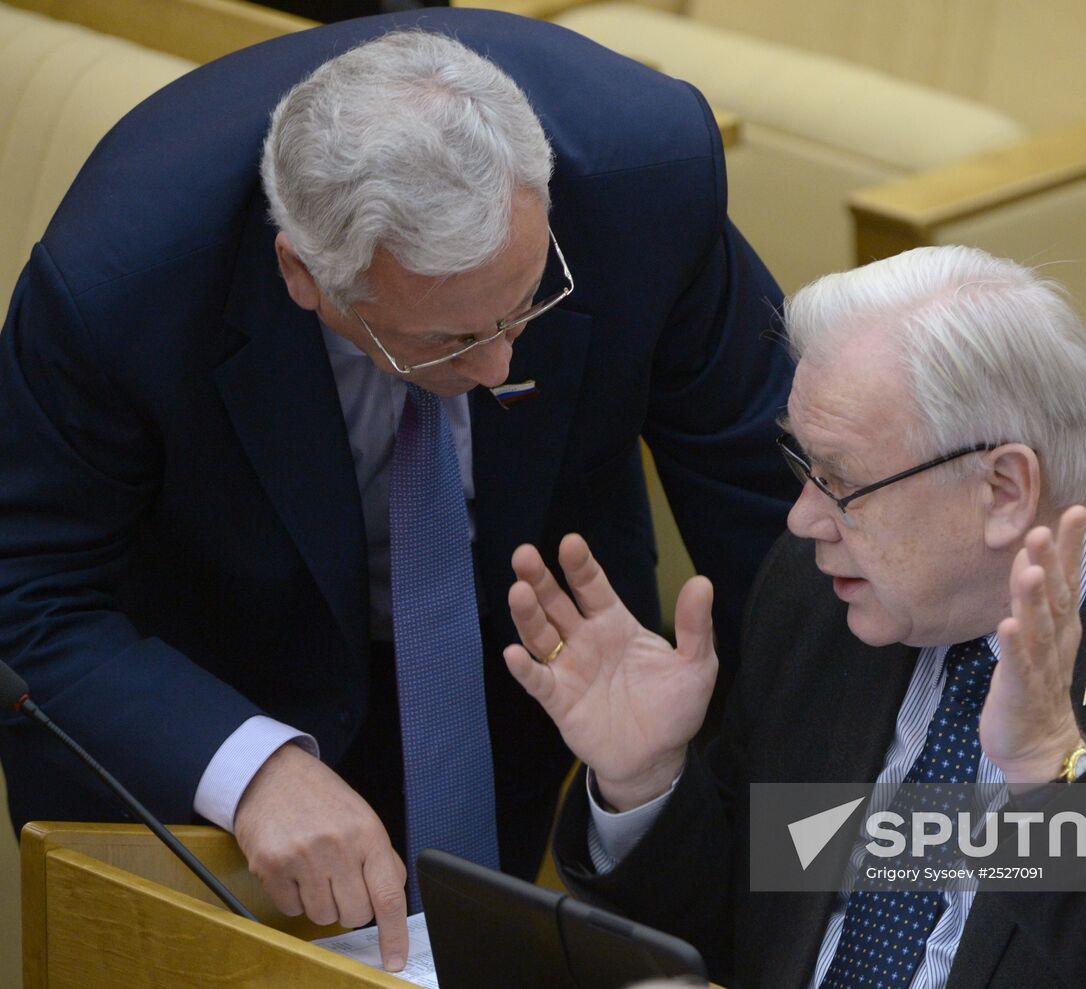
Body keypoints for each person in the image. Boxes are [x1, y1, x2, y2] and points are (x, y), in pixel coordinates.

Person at [0, 10, 794, 971]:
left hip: (520, 662)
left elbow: (774, 508)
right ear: (306, 274)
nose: (506, 362)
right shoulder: (120, 282)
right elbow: (26, 589)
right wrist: (246, 768)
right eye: (451, 341)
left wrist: (809, 826)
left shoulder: (644, 175)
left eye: (527, 302)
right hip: (213, 674)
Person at [504, 246, 1086, 988]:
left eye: (841, 482)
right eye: (800, 464)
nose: (804, 519)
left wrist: (1051, 782)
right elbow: (759, 910)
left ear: (1005, 489)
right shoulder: (830, 591)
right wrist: (648, 781)